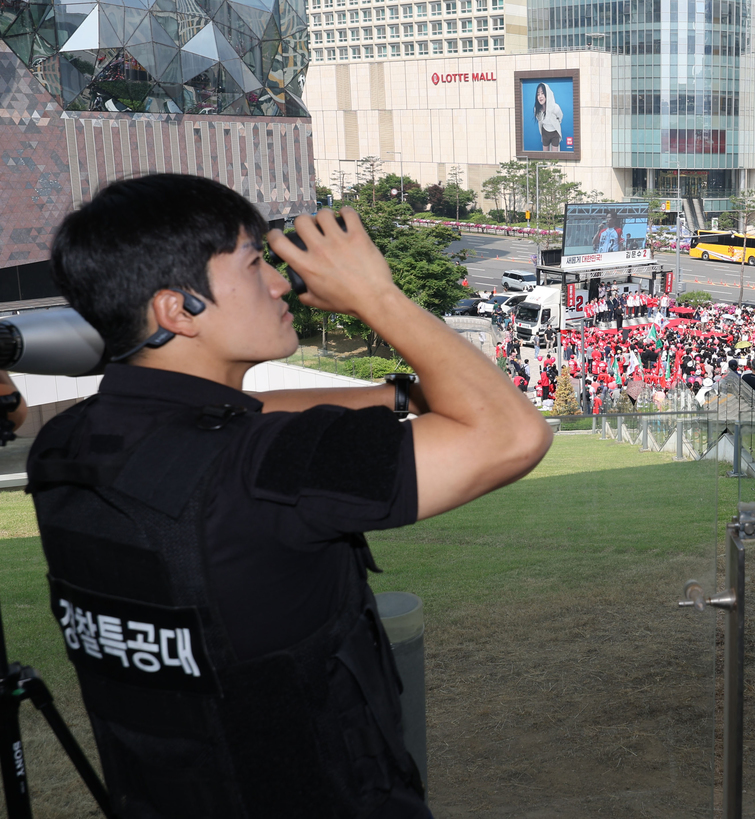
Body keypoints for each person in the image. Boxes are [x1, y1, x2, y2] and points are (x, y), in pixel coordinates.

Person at [30, 174, 552, 818]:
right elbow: (513, 434)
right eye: (254, 266)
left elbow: (237, 412)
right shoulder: (267, 470)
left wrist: (398, 396)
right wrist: (377, 297)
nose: (280, 283)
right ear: (177, 309)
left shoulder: (66, 448)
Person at [532, 82, 563, 152]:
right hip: (545, 132)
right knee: (545, 155)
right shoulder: (537, 109)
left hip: (555, 132)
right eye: (538, 94)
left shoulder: (555, 108)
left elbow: (560, 117)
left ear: (547, 94)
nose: (540, 96)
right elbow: (539, 119)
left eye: (542, 93)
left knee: (554, 156)